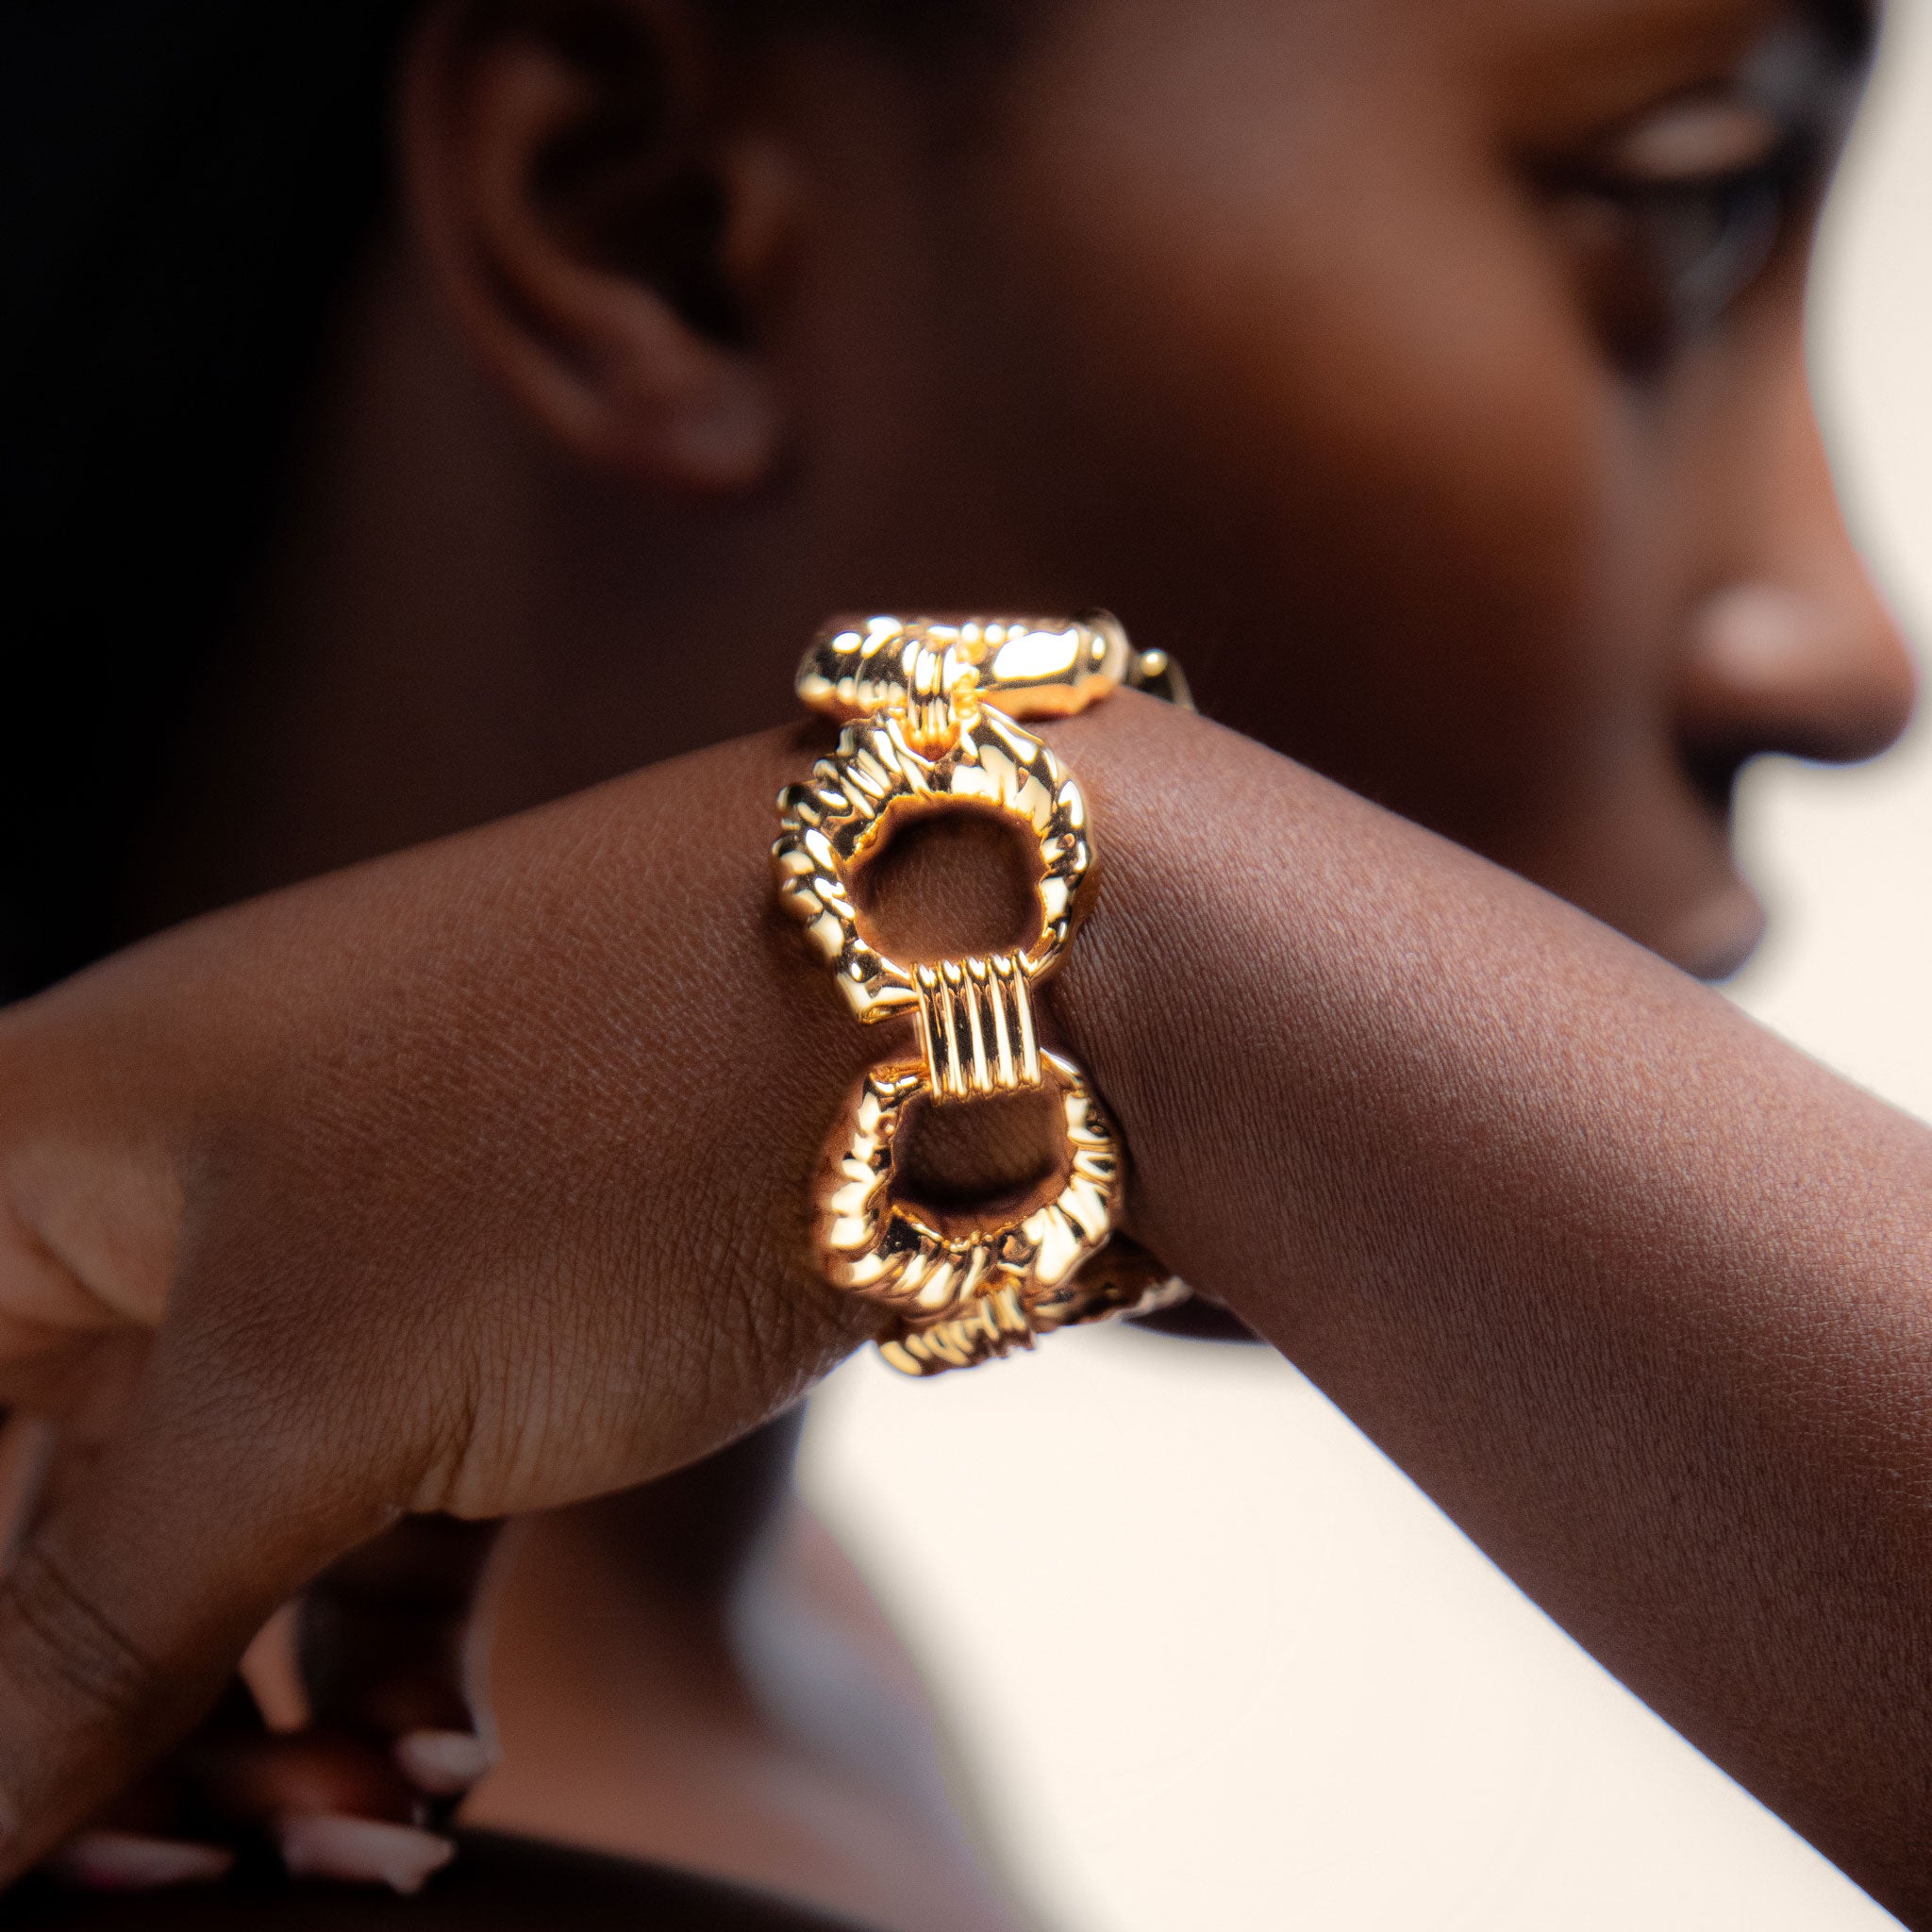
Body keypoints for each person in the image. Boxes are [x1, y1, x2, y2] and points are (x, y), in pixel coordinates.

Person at [1, 0, 1925, 1925]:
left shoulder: (765, 1663)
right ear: (657, 230)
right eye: (1683, 209)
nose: (1842, 650)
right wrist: (1093, 911)